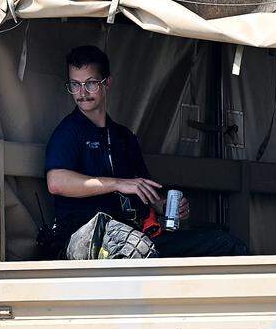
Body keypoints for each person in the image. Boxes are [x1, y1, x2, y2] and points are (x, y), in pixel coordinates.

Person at [44, 45, 248, 258]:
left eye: (91, 83)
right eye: (75, 85)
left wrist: (164, 205)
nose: (82, 93)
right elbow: (56, 182)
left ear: (107, 83)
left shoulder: (124, 137)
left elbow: (144, 193)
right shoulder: (68, 132)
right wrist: (117, 183)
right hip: (87, 236)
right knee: (134, 249)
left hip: (136, 237)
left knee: (226, 244)